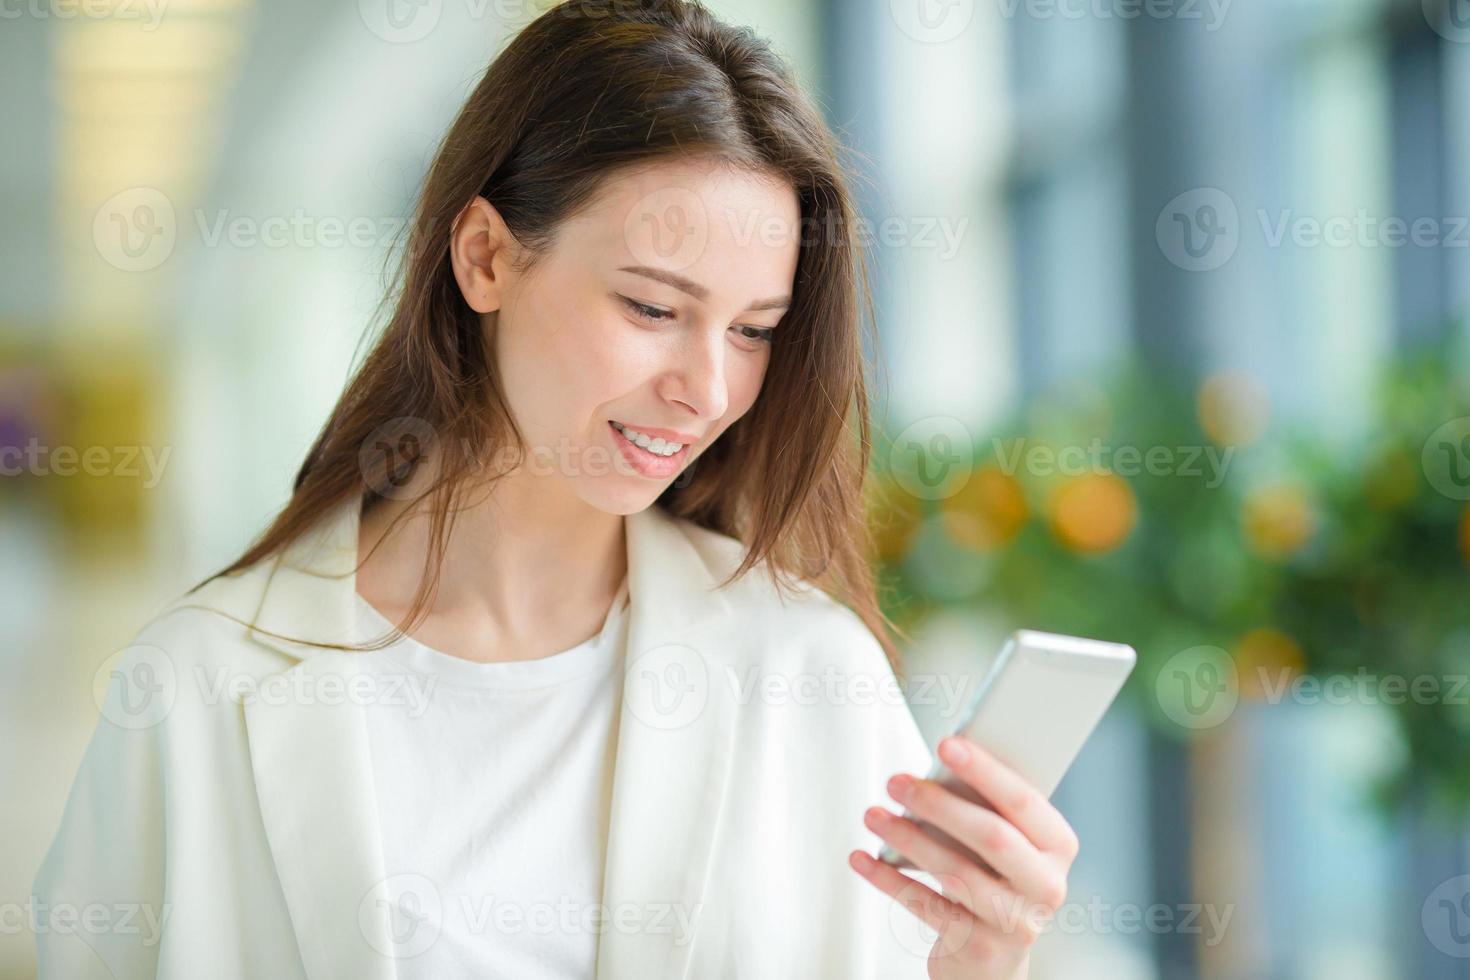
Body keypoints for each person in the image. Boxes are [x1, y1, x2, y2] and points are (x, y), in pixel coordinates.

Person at [31, 1, 1078, 977]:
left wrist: (974, 963)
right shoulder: (194, 683)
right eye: (652, 306)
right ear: (485, 257)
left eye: (754, 329)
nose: (709, 389)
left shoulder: (807, 673)